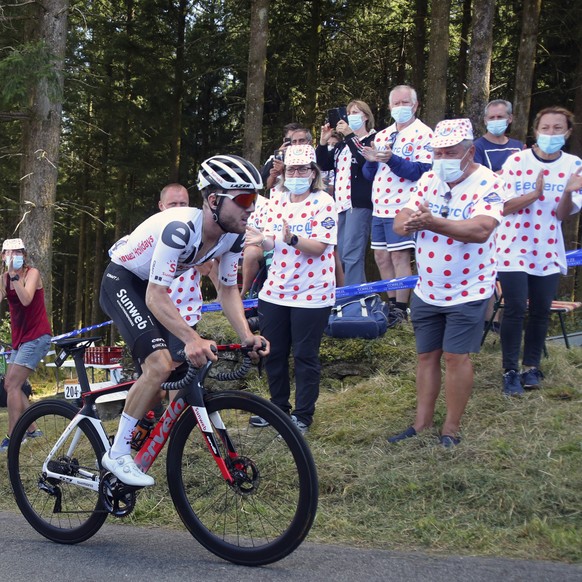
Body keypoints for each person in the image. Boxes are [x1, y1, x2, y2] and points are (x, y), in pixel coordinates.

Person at [99, 155, 269, 486]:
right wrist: (191, 337)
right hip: (123, 281)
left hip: (150, 290)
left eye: (255, 199)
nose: (251, 208)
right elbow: (155, 296)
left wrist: (246, 334)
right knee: (160, 365)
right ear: (214, 200)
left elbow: (228, 289)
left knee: (182, 361)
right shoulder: (180, 229)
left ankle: (145, 427)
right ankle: (118, 452)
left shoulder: (232, 236)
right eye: (245, 199)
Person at [390, 119, 505, 446]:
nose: (442, 158)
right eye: (438, 152)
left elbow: (481, 230)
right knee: (426, 356)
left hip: (468, 289)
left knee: (456, 358)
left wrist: (432, 222)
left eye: (450, 152)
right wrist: (408, 224)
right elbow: (401, 218)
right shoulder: (428, 179)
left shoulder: (489, 183)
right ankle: (421, 423)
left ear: (469, 151)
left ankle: (450, 428)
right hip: (427, 287)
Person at [245, 145, 338, 435]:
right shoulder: (277, 199)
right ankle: (278, 409)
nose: (297, 175)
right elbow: (273, 242)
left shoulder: (324, 201)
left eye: (303, 169)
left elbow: (321, 247)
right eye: (291, 170)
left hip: (312, 292)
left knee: (305, 354)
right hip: (276, 289)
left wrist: (294, 238)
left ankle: (303, 415)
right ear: (284, 173)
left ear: (313, 173)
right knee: (274, 352)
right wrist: (261, 239)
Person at [496, 106, 582, 396]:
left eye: (558, 128)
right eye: (546, 128)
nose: (551, 134)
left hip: (547, 247)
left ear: (568, 132)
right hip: (512, 246)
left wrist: (568, 191)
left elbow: (562, 215)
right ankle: (509, 370)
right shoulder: (515, 162)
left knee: (541, 310)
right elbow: (504, 207)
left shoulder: (574, 165)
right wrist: (534, 194)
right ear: (536, 131)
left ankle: (531, 366)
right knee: (516, 307)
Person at [362, 85, 433, 318]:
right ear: (389, 106)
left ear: (415, 105)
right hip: (379, 205)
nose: (401, 107)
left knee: (399, 255)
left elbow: (421, 171)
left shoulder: (424, 134)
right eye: (396, 103)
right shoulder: (382, 134)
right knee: (381, 256)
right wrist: (371, 161)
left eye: (406, 103)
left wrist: (392, 159)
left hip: (404, 205)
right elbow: (369, 174)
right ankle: (391, 304)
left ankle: (402, 308)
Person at [0, 238, 52, 452]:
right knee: (10, 385)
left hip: (37, 336)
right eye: (9, 253)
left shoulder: (32, 274)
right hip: (20, 340)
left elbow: (26, 299)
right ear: (3, 256)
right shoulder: (4, 278)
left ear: (24, 254)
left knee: (12, 384)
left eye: (17, 252)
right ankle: (32, 428)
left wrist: (14, 277)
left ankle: (14, 437)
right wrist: (7, 278)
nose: (14, 257)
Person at [317, 100, 375, 286]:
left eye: (356, 112)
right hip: (340, 205)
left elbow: (364, 161)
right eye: (348, 112)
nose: (351, 116)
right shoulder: (342, 146)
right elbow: (323, 165)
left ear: (366, 116)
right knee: (340, 253)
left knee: (351, 253)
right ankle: (349, 296)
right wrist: (323, 142)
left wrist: (350, 136)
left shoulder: (372, 140)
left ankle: (356, 302)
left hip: (358, 204)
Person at [473, 100, 524, 172]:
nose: (495, 120)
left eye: (500, 117)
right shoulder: (476, 147)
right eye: (491, 117)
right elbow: (476, 178)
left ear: (510, 118)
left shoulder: (518, 146)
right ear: (485, 120)